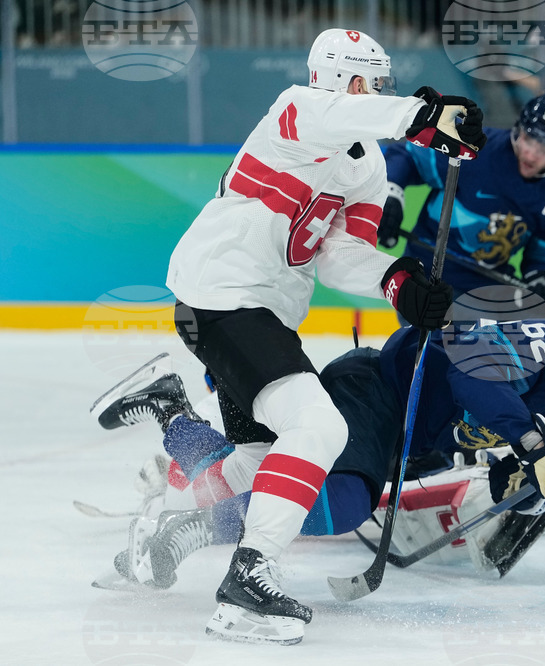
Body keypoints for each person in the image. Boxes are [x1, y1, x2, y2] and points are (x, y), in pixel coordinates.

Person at [155, 27, 487, 643]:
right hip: (224, 294)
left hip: (260, 315)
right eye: (372, 81)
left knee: (262, 455)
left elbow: (339, 253)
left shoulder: (368, 161)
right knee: (321, 427)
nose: (378, 91)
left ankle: (165, 495)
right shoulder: (297, 110)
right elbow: (345, 113)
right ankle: (249, 580)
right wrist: (425, 117)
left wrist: (397, 280)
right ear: (348, 80)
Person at [92, 306, 545, 643]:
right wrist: (530, 442)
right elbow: (470, 378)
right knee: (343, 502)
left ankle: (172, 415)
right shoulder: (540, 346)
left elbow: (515, 477)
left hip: (408, 445)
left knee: (261, 473)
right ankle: (194, 525)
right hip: (377, 396)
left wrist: (530, 488)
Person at [376, 88, 545, 317]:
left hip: (490, 291)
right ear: (518, 129)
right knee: (451, 345)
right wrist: (391, 195)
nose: (531, 154)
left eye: (544, 148)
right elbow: (407, 156)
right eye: (528, 139)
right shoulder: (476, 148)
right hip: (427, 280)